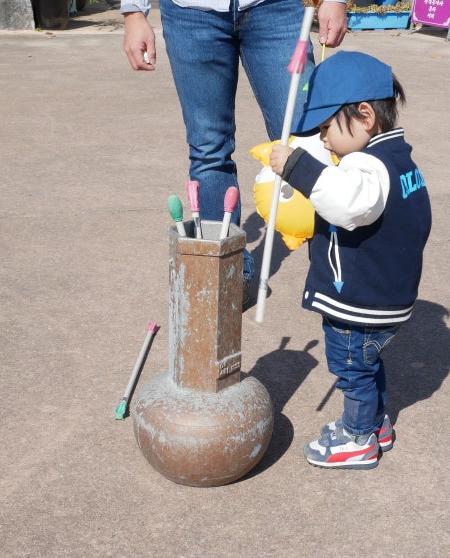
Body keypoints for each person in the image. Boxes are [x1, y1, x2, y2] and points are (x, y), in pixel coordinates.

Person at [120, 0, 348, 309]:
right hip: (191, 14)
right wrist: (134, 12)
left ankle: (335, 267)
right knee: (208, 149)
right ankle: (227, 272)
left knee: (307, 138)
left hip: (277, 8)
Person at [269, 51, 432, 470]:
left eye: (326, 128)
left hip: (360, 299)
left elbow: (346, 205)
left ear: (364, 115)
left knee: (351, 369)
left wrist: (298, 169)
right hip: (388, 294)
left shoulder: (366, 165)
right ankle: (376, 424)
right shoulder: (397, 160)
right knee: (367, 363)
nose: (323, 139)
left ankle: (357, 438)